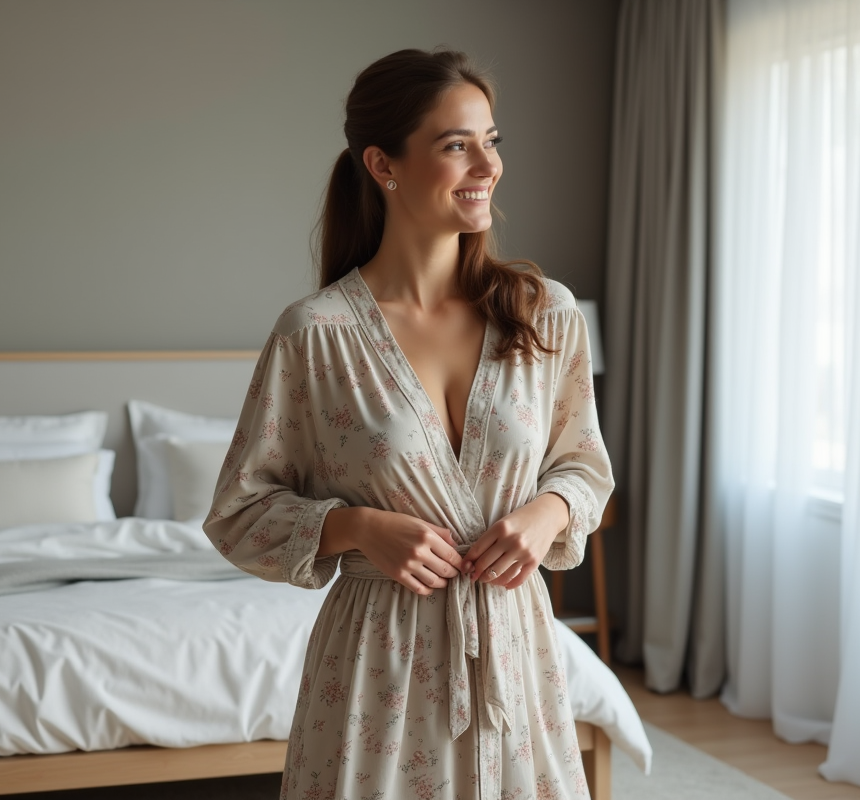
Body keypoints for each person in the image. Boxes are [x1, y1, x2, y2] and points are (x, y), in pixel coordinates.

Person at [203, 48, 614, 800]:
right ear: (383, 164)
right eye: (457, 145)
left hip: (515, 646)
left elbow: (583, 463)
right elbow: (239, 511)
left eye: (492, 140)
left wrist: (544, 512)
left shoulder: (543, 312)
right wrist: (356, 526)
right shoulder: (317, 335)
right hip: (377, 663)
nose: (486, 165)